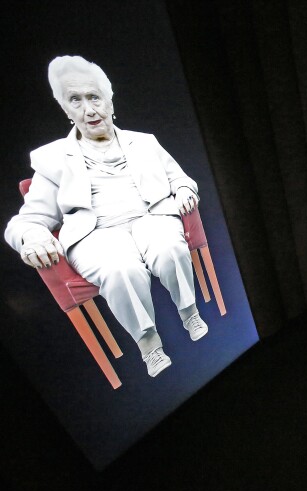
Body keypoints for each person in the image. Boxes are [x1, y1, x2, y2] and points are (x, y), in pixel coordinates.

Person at [4, 55, 207, 377]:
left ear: (109, 101)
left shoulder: (145, 142)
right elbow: (26, 221)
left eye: (94, 97)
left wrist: (184, 191)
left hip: (150, 215)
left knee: (170, 250)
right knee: (120, 270)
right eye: (75, 100)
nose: (89, 109)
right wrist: (32, 238)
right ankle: (149, 344)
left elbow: (179, 178)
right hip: (95, 233)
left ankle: (189, 311)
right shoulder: (51, 158)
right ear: (65, 109)